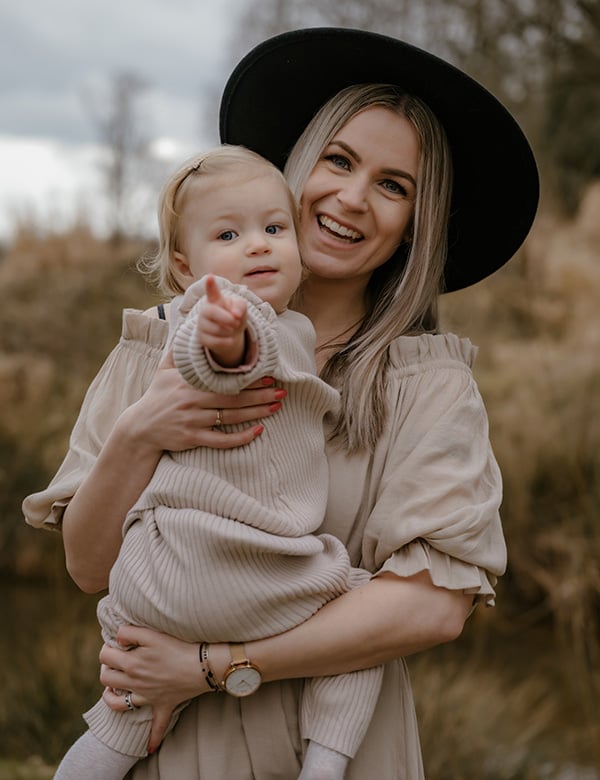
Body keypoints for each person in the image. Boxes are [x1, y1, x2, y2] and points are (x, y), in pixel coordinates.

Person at [23, 28, 539, 780]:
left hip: (338, 748)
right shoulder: (162, 345)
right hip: (177, 748)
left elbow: (431, 608)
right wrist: (140, 433)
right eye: (339, 160)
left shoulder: (427, 383)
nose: (352, 199)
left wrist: (214, 665)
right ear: (294, 168)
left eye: (394, 185)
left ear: (413, 226)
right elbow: (90, 567)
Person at [47, 145, 383, 780]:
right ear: (184, 267)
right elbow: (223, 359)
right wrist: (224, 333)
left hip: (159, 582)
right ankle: (327, 762)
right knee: (360, 609)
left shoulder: (290, 325)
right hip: (235, 567)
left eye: (273, 229)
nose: (257, 245)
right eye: (229, 234)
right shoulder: (227, 315)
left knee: (124, 717)